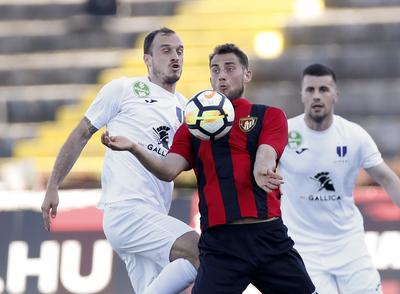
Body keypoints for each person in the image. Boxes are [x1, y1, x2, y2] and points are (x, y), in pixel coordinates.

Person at [101, 43, 316, 294]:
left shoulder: (268, 115)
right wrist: (135, 148)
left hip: (268, 237)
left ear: (247, 74)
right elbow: (168, 169)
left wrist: (262, 169)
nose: (221, 75)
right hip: (221, 246)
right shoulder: (192, 126)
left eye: (229, 68)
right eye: (215, 69)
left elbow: (267, 153)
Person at [41, 27, 199, 294]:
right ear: (147, 59)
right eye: (166, 50)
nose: (175, 56)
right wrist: (53, 185)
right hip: (126, 209)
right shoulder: (124, 89)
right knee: (198, 250)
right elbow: (81, 133)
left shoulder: (188, 109)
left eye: (180, 51)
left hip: (155, 213)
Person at [279, 63, 400, 294]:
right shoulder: (283, 133)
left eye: (324, 89)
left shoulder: (354, 135)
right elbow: (258, 171)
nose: (316, 96)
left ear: (336, 95)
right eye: (310, 89)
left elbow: (387, 179)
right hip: (304, 249)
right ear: (301, 95)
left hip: (348, 245)